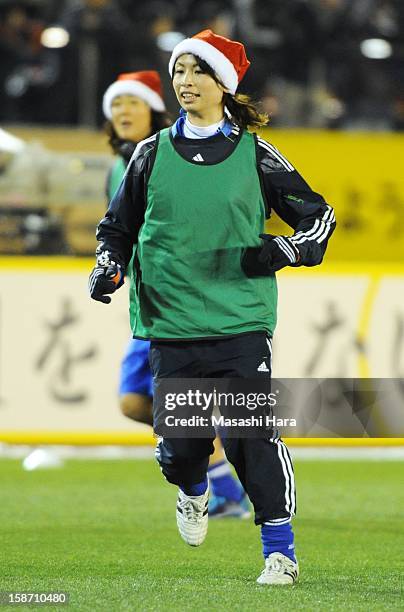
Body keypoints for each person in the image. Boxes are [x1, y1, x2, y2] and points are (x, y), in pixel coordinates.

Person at [89, 29, 336, 585]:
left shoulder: (255, 154)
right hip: (171, 324)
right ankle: (194, 490)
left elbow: (318, 216)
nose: (185, 82)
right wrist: (107, 265)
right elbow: (116, 228)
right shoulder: (150, 154)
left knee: (253, 433)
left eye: (198, 72)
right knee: (181, 453)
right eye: (179, 72)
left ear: (223, 83)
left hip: (240, 321)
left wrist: (285, 249)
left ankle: (280, 551)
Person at [103, 68, 249, 518]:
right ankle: (220, 475)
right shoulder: (119, 164)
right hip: (150, 303)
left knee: (171, 404)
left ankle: (224, 485)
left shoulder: (176, 154)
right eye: (116, 104)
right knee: (137, 403)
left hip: (184, 301)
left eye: (133, 102)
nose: (123, 111)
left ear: (154, 109)